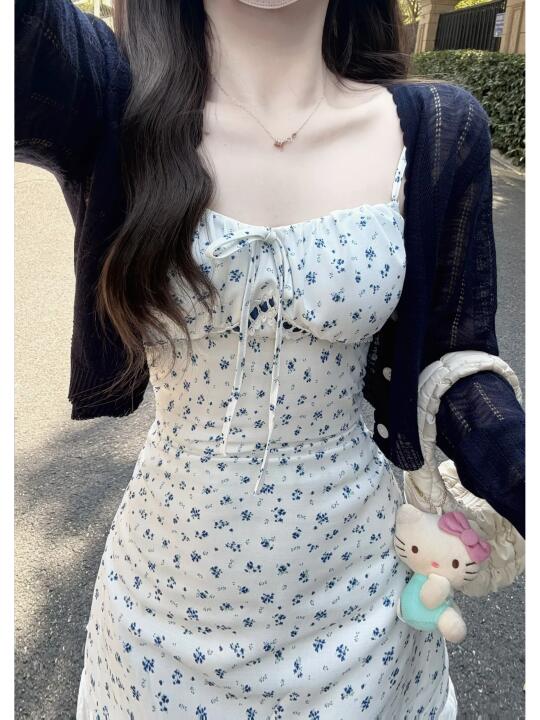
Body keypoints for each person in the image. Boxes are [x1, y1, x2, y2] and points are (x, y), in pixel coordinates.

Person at [15, 0, 525, 717]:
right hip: (164, 611)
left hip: (362, 601)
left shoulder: (438, 128)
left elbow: (458, 361)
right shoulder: (112, 99)